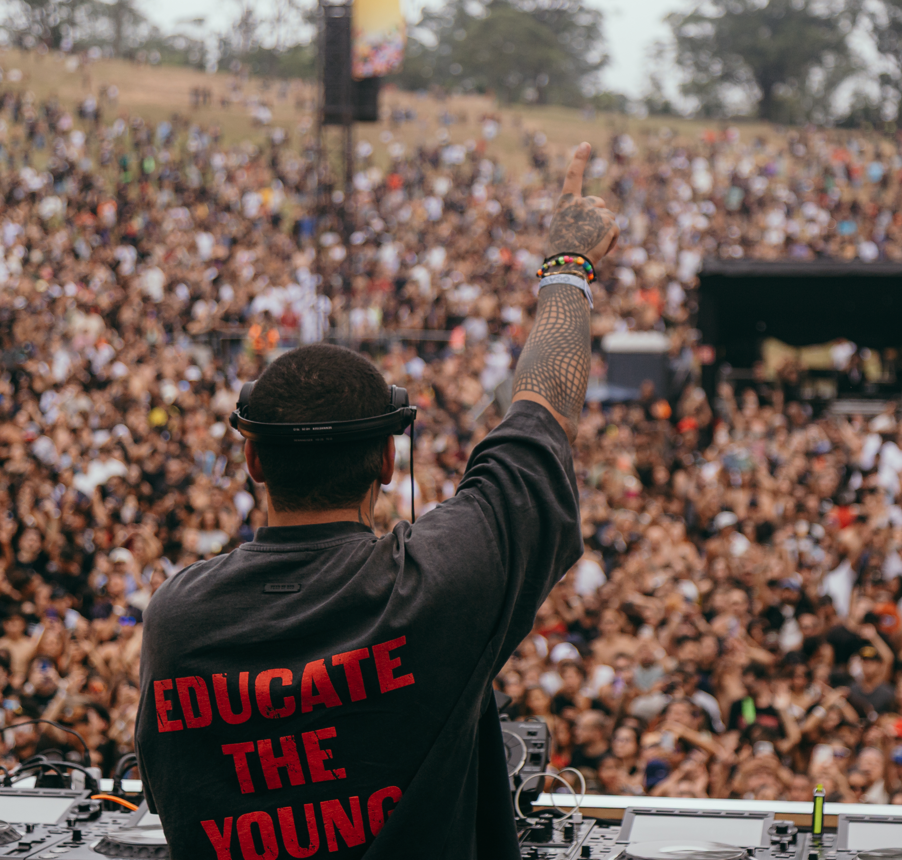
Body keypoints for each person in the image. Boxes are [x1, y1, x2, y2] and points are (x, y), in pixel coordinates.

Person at [136, 144, 619, 858]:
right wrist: (567, 266)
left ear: (252, 458)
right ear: (389, 461)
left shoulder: (178, 617)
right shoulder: (444, 583)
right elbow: (542, 411)